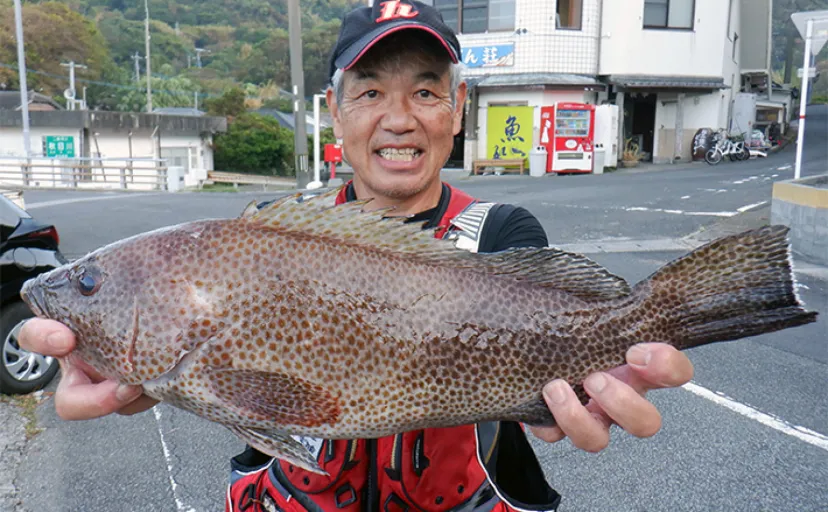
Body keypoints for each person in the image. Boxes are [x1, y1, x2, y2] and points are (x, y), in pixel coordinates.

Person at [19, 2, 694, 510]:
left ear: (456, 110)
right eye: (370, 91)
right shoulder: (261, 234)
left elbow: (545, 344)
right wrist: (121, 373)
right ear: (335, 114)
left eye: (425, 91)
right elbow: (239, 394)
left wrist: (598, 370)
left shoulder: (502, 232)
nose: (398, 118)